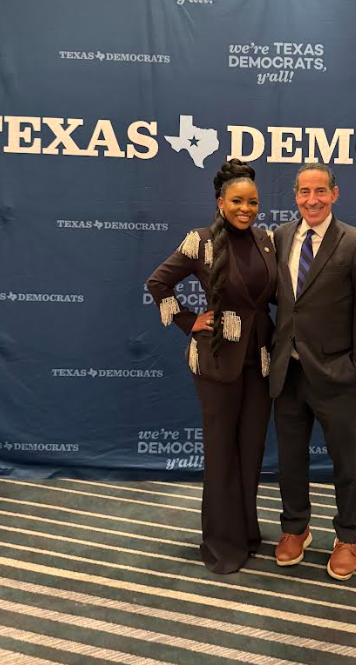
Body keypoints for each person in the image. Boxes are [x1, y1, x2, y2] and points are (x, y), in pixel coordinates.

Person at [147, 159, 276, 574]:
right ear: (221, 202)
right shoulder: (199, 241)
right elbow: (158, 283)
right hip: (217, 362)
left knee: (251, 451)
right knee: (221, 454)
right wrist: (188, 320)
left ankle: (246, 533)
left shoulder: (267, 241)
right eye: (237, 201)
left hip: (260, 362)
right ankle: (221, 544)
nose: (246, 208)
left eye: (253, 202)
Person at [269, 162, 356, 581]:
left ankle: (348, 536)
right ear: (295, 196)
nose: (311, 200)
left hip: (336, 371)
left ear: (335, 193)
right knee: (290, 459)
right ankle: (295, 528)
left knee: (345, 460)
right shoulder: (280, 238)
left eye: (320, 191)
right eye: (303, 192)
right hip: (287, 371)